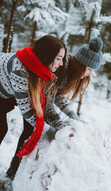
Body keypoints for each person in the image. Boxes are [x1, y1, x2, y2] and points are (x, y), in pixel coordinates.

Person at [0, 35, 66, 179]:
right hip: (2, 93)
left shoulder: (37, 68)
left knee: (26, 127)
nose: (61, 64)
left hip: (5, 93)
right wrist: (50, 131)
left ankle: (15, 172)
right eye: (59, 58)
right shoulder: (21, 71)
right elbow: (27, 110)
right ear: (48, 56)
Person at [44, 37, 103, 131]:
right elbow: (46, 100)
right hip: (21, 89)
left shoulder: (70, 73)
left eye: (93, 70)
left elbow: (57, 95)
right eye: (89, 69)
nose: (90, 74)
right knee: (30, 131)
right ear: (80, 66)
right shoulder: (60, 68)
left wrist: (72, 114)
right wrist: (58, 124)